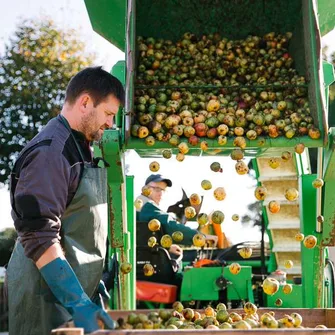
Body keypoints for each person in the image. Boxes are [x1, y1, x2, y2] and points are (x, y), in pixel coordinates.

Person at [6, 66, 125, 335]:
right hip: (45, 302)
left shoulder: (81, 148)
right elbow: (39, 234)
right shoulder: (52, 153)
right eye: (108, 114)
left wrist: (95, 282)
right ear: (85, 102)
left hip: (70, 298)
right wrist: (78, 300)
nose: (110, 124)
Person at [136, 174, 218, 258]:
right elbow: (170, 226)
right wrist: (200, 237)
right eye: (157, 189)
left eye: (163, 190)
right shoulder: (146, 205)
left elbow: (146, 238)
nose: (161, 194)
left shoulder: (140, 204)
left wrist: (167, 247)